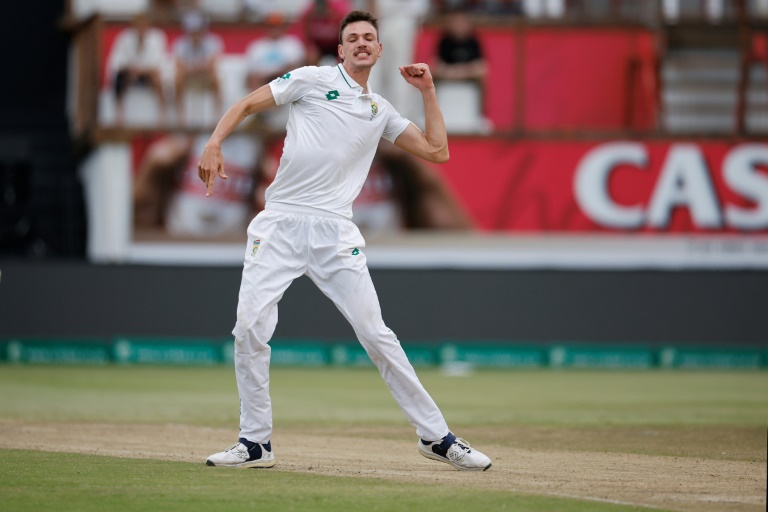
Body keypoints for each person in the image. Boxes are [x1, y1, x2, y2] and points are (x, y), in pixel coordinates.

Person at [199, 10, 492, 471]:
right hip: (281, 222)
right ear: (340, 50)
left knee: (376, 334)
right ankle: (255, 443)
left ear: (379, 50)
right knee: (249, 328)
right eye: (352, 37)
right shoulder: (311, 79)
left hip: (335, 231)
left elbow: (438, 151)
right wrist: (215, 142)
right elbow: (248, 105)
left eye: (368, 37)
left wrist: (428, 92)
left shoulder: (380, 110)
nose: (361, 43)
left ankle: (437, 438)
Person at [107, 12, 169, 126]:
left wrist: (140, 71)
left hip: (148, 75)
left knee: (158, 79)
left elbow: (158, 65)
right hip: (131, 74)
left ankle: (163, 115)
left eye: (143, 25)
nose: (141, 28)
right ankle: (119, 117)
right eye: (139, 25)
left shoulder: (157, 37)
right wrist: (131, 70)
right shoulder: (125, 38)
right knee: (119, 79)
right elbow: (116, 63)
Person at [173, 10, 224, 126]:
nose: (196, 34)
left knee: (215, 78)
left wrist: (191, 68)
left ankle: (217, 113)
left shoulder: (212, 42)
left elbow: (211, 66)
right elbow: (179, 67)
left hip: (202, 77)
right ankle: (180, 115)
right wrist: (199, 67)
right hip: (190, 77)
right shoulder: (180, 44)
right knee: (178, 79)